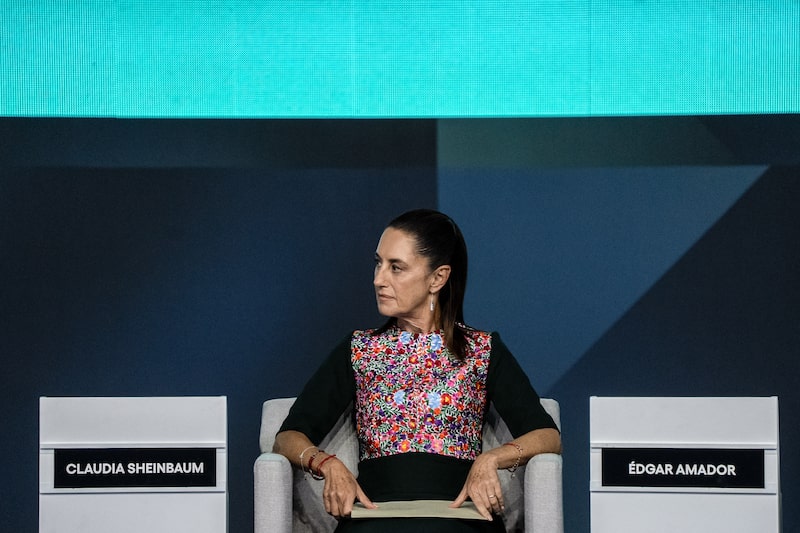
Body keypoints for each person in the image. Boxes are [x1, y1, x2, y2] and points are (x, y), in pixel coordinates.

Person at [273, 209, 561, 532]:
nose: (378, 279)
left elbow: (547, 435)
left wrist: (491, 459)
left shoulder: (481, 350)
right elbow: (286, 438)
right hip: (374, 518)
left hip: (459, 518)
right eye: (378, 263)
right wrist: (326, 463)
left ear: (437, 278)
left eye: (396, 268)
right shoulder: (360, 349)